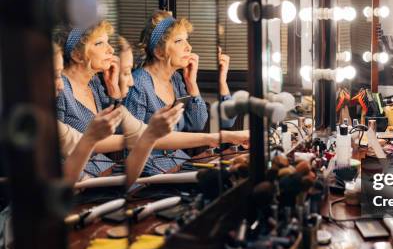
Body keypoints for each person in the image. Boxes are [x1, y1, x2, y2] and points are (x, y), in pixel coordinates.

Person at [54, 22, 248, 178]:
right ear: (77, 55)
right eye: (99, 43)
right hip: (94, 178)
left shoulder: (95, 84)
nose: (110, 50)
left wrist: (193, 84)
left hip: (113, 172)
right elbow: (125, 138)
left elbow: (196, 123)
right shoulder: (60, 89)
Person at [125, 10, 236, 174]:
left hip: (176, 163)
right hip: (148, 173)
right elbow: (134, 143)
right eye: (179, 41)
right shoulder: (139, 84)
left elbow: (197, 123)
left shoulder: (176, 79)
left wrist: (192, 84)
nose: (189, 47)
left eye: (187, 40)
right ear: (159, 51)